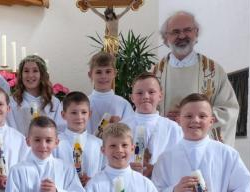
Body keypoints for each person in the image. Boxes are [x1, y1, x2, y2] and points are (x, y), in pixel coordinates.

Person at [152, 11, 240, 147]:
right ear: (165, 37)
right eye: (175, 32)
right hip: (166, 148)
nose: (182, 36)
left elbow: (229, 111)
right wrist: (164, 120)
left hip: (202, 149)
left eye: (187, 30)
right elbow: (143, 112)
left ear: (196, 32)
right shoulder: (153, 75)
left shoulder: (214, 72)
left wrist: (193, 118)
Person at [124, 73, 183, 178]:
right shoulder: (122, 127)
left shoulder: (173, 129)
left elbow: (181, 161)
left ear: (160, 95)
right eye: (139, 93)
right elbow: (109, 162)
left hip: (161, 187)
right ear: (132, 97)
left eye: (151, 92)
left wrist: (157, 169)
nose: (146, 96)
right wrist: (125, 168)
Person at [7, 55, 66, 135]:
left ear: (42, 75)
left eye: (35, 71)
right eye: (26, 71)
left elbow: (60, 130)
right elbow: (9, 130)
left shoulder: (53, 103)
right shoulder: (12, 102)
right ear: (21, 75)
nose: (30, 75)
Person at [87, 52, 134, 138]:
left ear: (114, 73)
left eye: (108, 71)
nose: (103, 76)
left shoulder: (123, 104)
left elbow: (130, 133)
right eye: (98, 72)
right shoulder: (85, 102)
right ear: (90, 75)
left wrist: (119, 126)